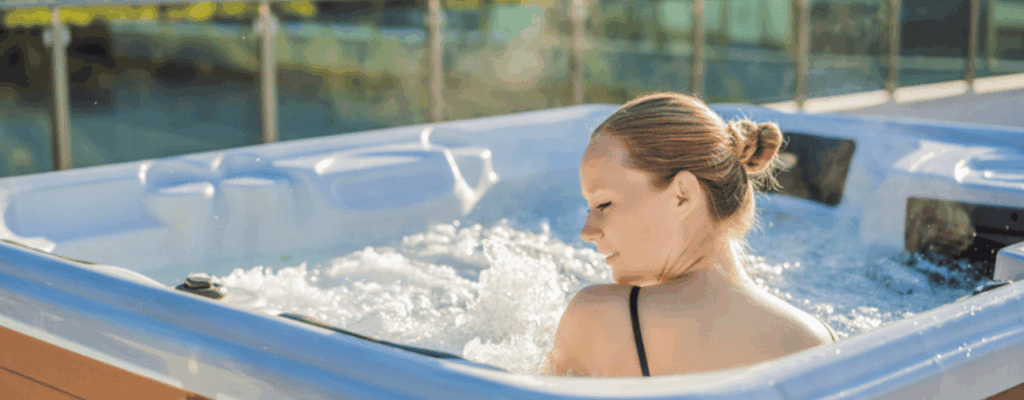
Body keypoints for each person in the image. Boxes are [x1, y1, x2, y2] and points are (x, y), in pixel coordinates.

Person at [547, 93, 837, 377]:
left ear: (682, 195)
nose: (587, 232)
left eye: (603, 204)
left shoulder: (597, 319)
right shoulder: (818, 342)